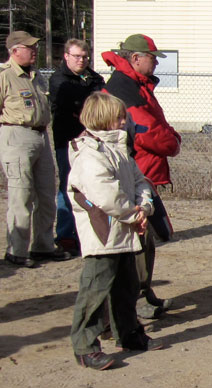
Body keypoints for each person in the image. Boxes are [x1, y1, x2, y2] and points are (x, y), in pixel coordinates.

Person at [68, 92, 164, 370]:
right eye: (120, 117)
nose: (125, 121)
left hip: (125, 231)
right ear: (104, 119)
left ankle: (129, 333)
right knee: (95, 290)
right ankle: (85, 345)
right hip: (104, 234)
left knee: (127, 286)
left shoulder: (120, 152)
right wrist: (134, 214)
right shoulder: (89, 154)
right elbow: (105, 196)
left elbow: (140, 181)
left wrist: (144, 207)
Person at [102, 34, 180, 318]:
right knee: (137, 239)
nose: (156, 62)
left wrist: (170, 136)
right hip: (132, 174)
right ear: (135, 58)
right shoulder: (124, 87)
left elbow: (156, 123)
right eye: (152, 57)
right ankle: (132, 303)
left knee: (145, 241)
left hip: (141, 171)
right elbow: (148, 131)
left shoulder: (137, 84)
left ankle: (144, 295)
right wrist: (172, 142)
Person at [1, 30, 72, 268]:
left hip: (41, 136)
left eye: (35, 47)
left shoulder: (35, 75)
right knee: (21, 195)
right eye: (29, 48)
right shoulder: (5, 76)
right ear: (14, 51)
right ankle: (16, 250)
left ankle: (42, 245)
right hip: (16, 134)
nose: (34, 51)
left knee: (46, 193)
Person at [49, 38, 107, 257]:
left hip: (92, 141)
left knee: (92, 187)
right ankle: (65, 236)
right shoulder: (59, 80)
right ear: (66, 56)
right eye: (77, 56)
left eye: (85, 57)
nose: (81, 60)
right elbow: (77, 106)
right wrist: (89, 108)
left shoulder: (92, 77)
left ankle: (89, 233)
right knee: (68, 186)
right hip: (68, 142)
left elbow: (102, 99)